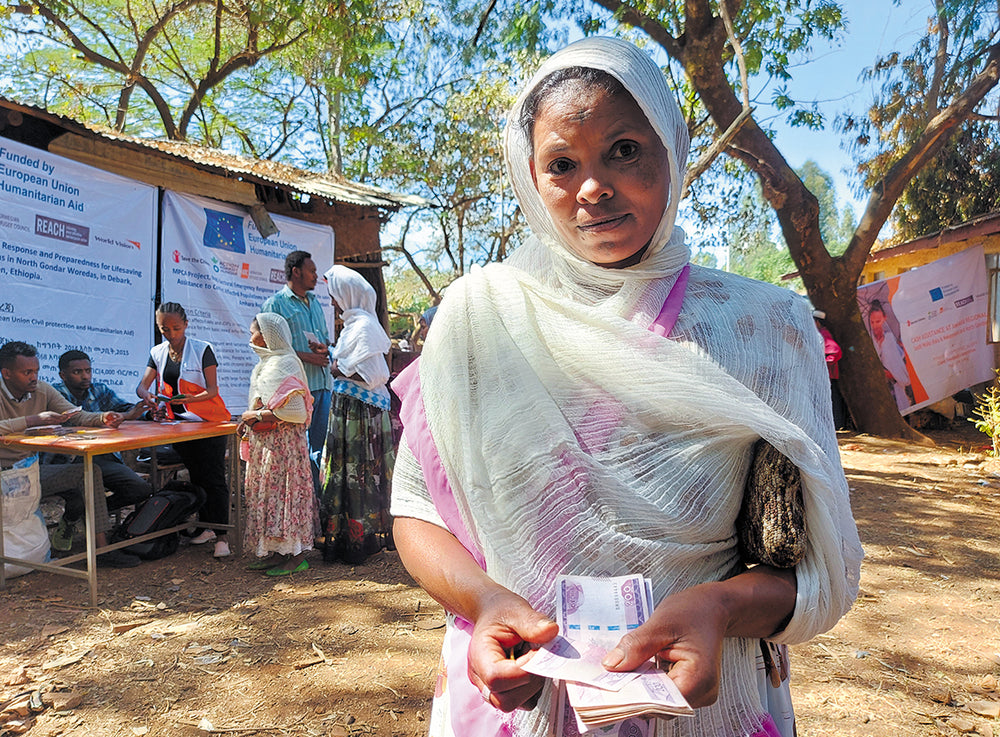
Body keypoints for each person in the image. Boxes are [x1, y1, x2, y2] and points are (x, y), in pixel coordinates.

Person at [390, 38, 863, 737]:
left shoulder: (764, 328)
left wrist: (721, 608)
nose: (592, 188)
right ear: (531, 176)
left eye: (623, 150)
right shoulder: (477, 319)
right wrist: (487, 600)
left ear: (673, 144)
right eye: (562, 164)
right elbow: (417, 511)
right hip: (522, 702)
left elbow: (818, 566)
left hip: (704, 705)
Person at [0, 341, 140, 567]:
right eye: (27, 372)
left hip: (31, 471)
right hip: (5, 475)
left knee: (89, 472)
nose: (34, 377)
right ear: (6, 373)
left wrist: (103, 418)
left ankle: (101, 550)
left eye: (36, 371)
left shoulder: (42, 390)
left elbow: (75, 415)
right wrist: (33, 420)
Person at [136, 302, 233, 559]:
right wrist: (148, 397)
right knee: (196, 476)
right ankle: (206, 527)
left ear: (186, 325)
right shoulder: (157, 352)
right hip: (180, 426)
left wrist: (187, 400)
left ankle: (222, 536)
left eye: (176, 328)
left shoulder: (202, 350)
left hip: (209, 423)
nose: (170, 333)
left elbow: (212, 390)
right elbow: (142, 386)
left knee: (213, 478)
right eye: (163, 329)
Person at [319, 265, 395, 564]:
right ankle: (352, 536)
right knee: (350, 473)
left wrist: (338, 367)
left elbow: (373, 375)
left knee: (358, 473)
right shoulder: (355, 326)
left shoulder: (364, 327)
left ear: (347, 294)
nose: (334, 302)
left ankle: (360, 537)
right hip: (350, 411)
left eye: (335, 296)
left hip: (359, 416)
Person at [238, 313, 319, 576]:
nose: (251, 338)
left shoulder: (286, 363)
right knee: (268, 497)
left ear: (268, 336)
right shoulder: (264, 365)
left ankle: (294, 557)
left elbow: (296, 412)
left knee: (285, 497)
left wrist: (257, 416)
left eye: (254, 333)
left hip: (284, 448)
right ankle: (273, 552)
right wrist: (249, 418)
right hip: (267, 446)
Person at [49, 350, 153, 523]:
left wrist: (149, 414)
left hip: (102, 459)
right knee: (78, 499)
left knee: (140, 489)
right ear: (63, 375)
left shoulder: (99, 390)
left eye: (88, 371)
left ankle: (90, 515)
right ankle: (74, 519)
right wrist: (125, 416)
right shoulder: (54, 395)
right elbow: (76, 420)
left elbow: (125, 409)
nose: (85, 376)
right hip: (67, 462)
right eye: (77, 372)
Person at [261, 251, 333, 494]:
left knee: (319, 451)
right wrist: (307, 357)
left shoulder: (315, 303)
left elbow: (324, 340)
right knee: (297, 451)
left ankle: (316, 505)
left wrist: (326, 351)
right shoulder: (275, 304)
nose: (315, 276)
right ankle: (300, 503)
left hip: (323, 386)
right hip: (296, 392)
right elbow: (271, 350)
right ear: (296, 271)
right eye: (312, 270)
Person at [867, 299, 914, 413]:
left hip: (896, 385)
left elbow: (896, 362)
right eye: (872, 322)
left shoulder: (889, 338)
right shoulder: (869, 340)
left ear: (884, 318)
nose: (875, 325)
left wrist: (893, 375)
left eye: (878, 321)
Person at [812, 313, 850, 430]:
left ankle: (837, 425)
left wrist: (823, 363)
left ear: (817, 322)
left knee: (832, 399)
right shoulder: (820, 334)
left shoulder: (824, 334)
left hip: (828, 375)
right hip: (826, 375)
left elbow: (835, 351)